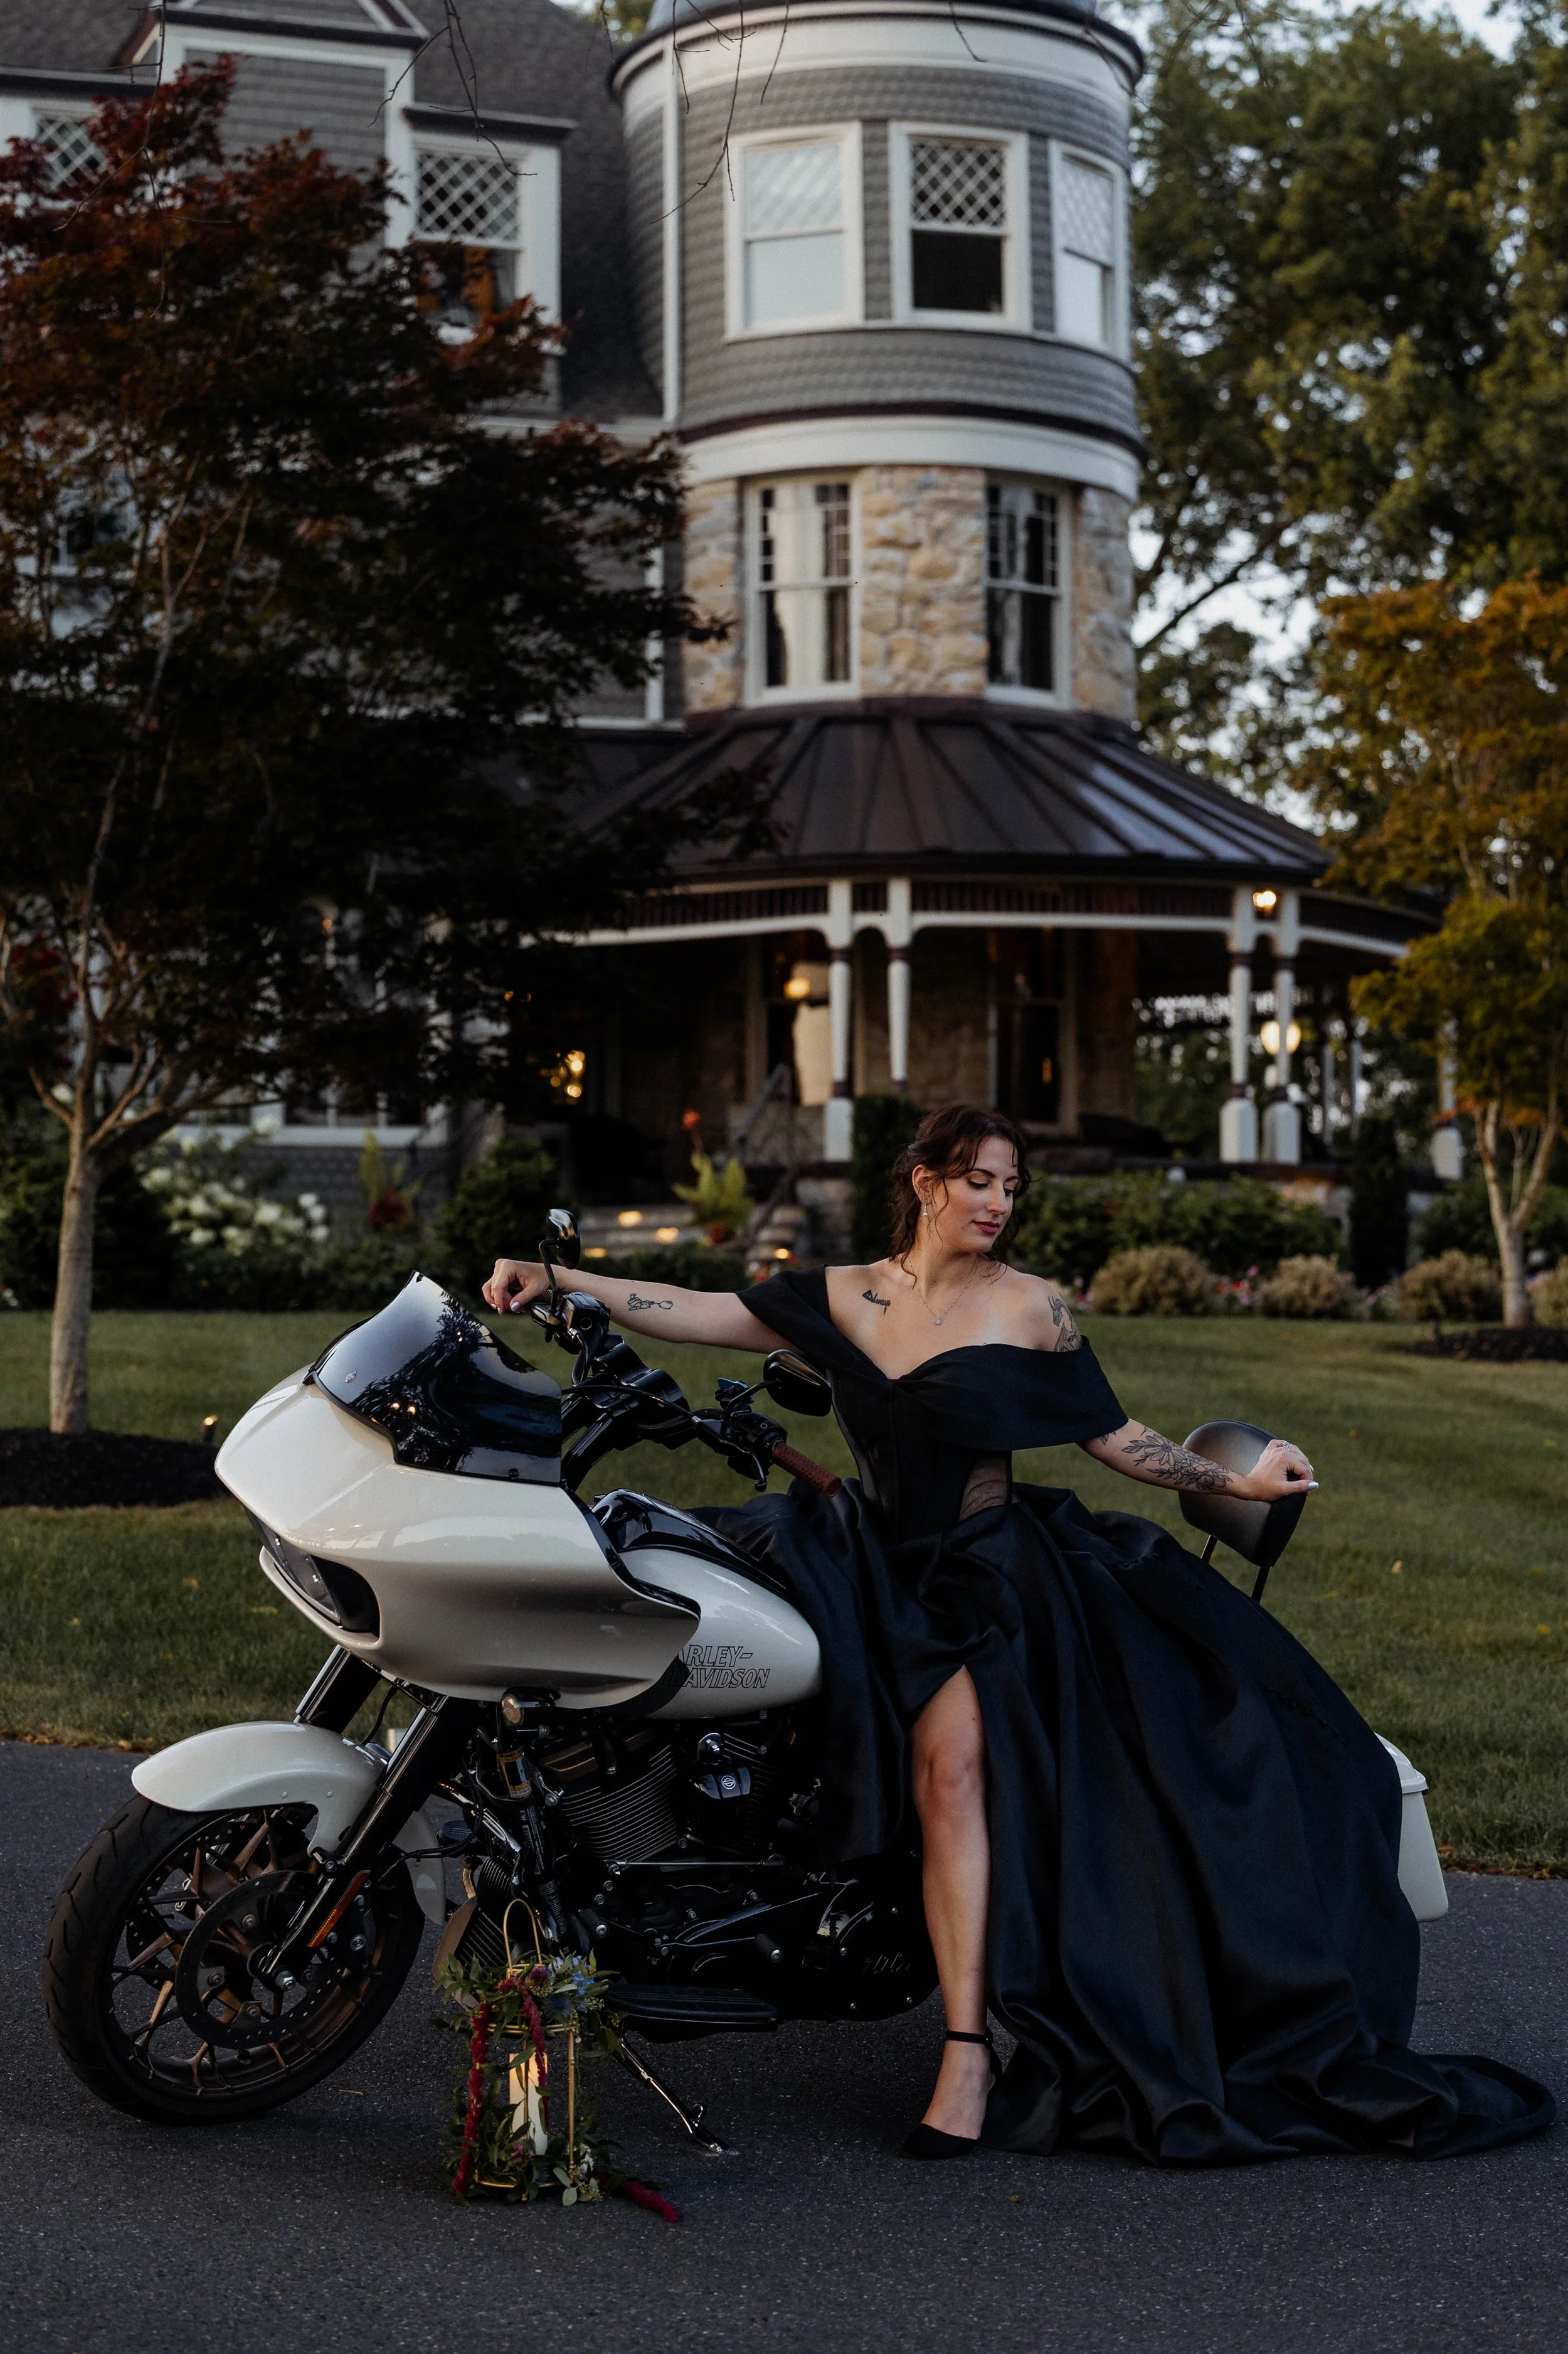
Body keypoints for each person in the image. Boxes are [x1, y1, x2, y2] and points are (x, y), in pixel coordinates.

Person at [484, 1102, 1552, 2165]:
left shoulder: (1034, 1307)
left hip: (984, 1578)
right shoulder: (848, 1295)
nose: (998, 1202)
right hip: (864, 1556)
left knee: (949, 1772)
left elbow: (1116, 1436)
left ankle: (968, 2055)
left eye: (1011, 1186)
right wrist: (563, 1280)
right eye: (979, 1181)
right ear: (926, 1183)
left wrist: (1237, 1480)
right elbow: (692, 1307)